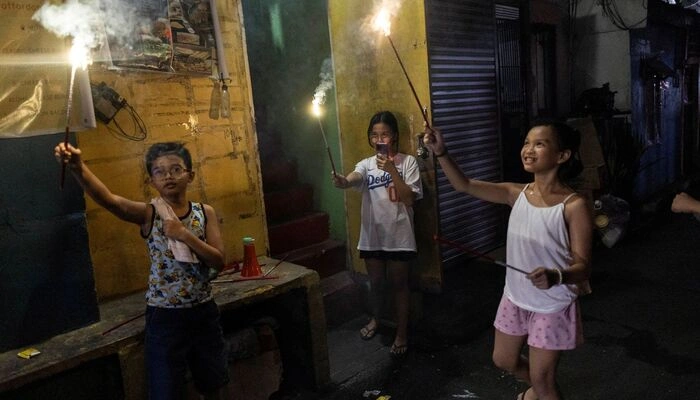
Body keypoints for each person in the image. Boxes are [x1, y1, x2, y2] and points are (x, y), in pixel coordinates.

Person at [423, 119, 592, 400]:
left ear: (562, 156)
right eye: (527, 142)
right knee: (504, 360)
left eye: (540, 144)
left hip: (551, 305)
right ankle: (538, 392)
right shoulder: (516, 194)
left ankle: (542, 390)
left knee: (543, 377)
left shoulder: (573, 206)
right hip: (514, 297)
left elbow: (583, 267)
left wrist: (556, 276)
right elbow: (463, 185)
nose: (528, 149)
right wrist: (441, 153)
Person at [55, 141, 228, 400]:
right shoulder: (150, 214)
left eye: (176, 169)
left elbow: (219, 261)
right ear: (152, 181)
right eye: (159, 171)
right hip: (165, 317)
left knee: (213, 383)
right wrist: (79, 168)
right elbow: (112, 202)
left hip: (203, 311)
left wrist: (184, 235)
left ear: (190, 175)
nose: (168, 176)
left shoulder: (205, 213)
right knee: (166, 390)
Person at [332, 111, 423, 358]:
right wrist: (344, 181)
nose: (379, 139)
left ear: (393, 136)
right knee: (377, 284)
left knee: (399, 285)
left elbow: (409, 199)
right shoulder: (366, 164)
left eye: (384, 134)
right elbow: (355, 177)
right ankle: (377, 319)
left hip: (399, 236)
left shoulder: (409, 162)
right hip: (373, 236)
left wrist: (392, 169)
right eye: (374, 135)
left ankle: (402, 333)